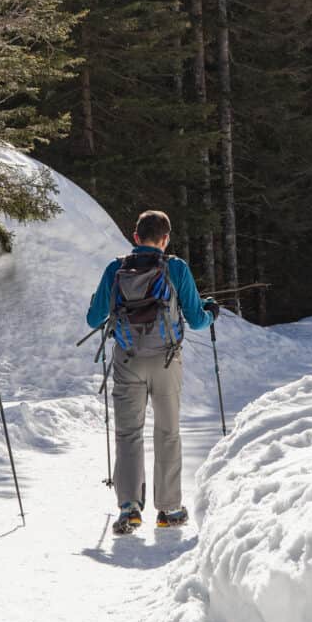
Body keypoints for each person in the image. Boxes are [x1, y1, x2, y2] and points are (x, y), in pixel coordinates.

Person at [86, 211, 219, 535]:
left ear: (135, 237)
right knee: (167, 432)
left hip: (128, 359)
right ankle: (169, 508)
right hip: (166, 361)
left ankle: (129, 508)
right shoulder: (176, 268)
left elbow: (93, 319)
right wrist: (211, 311)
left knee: (128, 432)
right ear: (165, 239)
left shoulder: (115, 269)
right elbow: (198, 320)